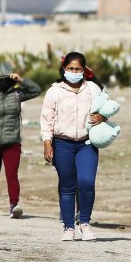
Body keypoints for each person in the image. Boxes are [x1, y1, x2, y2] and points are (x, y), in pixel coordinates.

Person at [40, 53, 108, 241]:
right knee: (67, 186)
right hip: (62, 143)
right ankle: (68, 227)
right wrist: (47, 142)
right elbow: (46, 119)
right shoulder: (54, 91)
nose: (74, 72)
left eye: (78, 69)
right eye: (71, 69)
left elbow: (106, 107)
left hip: (87, 143)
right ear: (64, 69)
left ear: (84, 70)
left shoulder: (93, 88)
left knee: (87, 182)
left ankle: (84, 223)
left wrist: (102, 117)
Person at [0, 62, 41, 218]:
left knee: (12, 174)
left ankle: (14, 205)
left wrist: (21, 80)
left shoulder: (17, 94)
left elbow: (36, 91)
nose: (4, 82)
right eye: (1, 80)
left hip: (12, 141)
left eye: (7, 79)